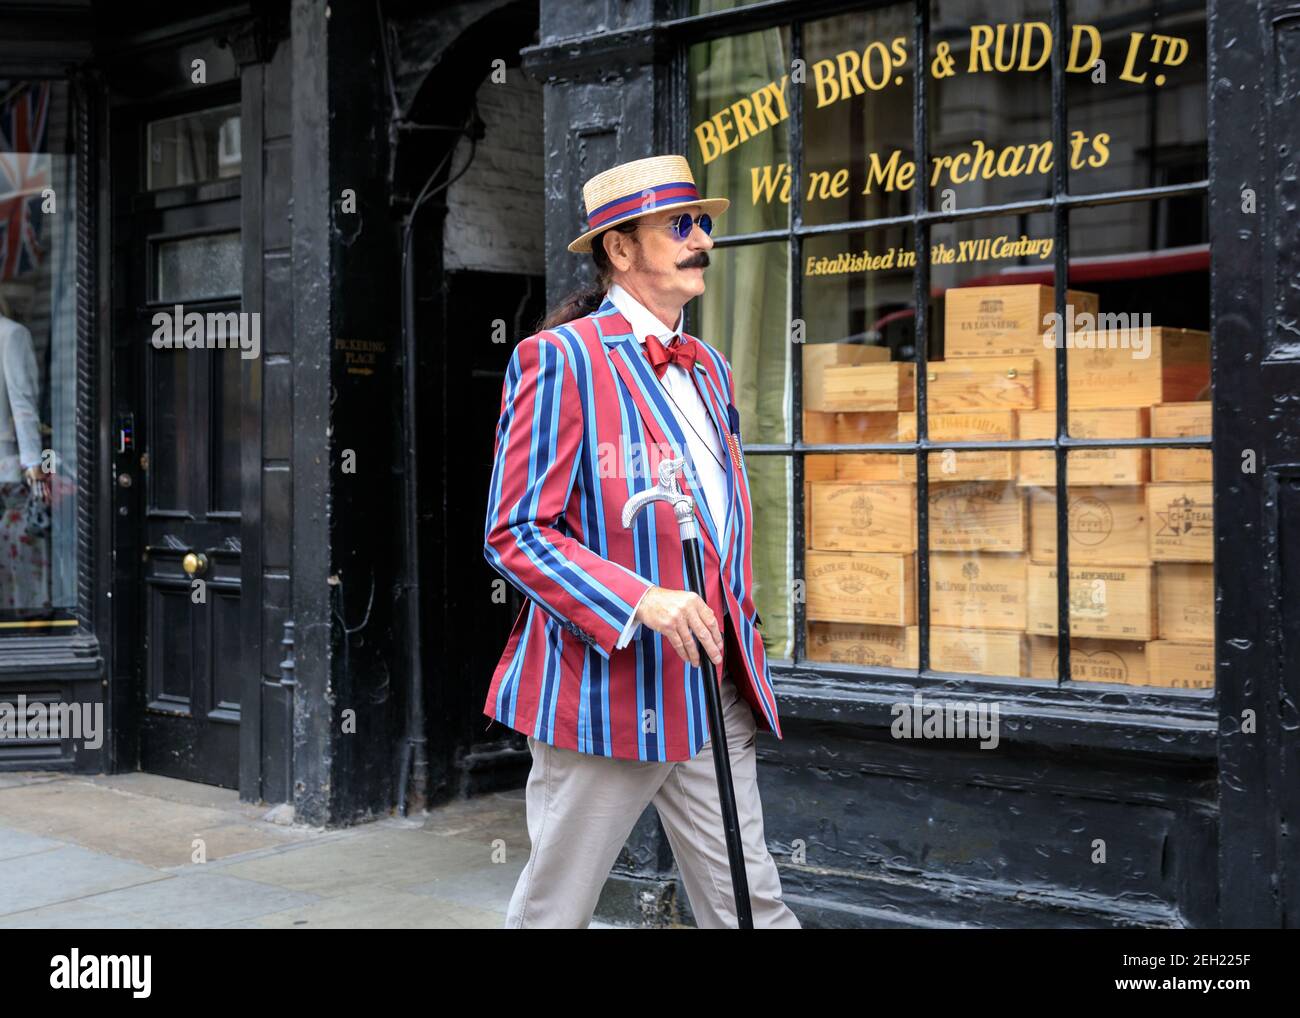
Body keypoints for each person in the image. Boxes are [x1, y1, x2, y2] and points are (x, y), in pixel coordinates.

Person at [482, 154, 800, 929]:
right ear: (621, 250)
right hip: (607, 694)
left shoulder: (712, 371)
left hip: (712, 682)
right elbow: (516, 531)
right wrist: (642, 598)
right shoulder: (558, 360)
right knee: (554, 913)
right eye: (679, 226)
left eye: (704, 224)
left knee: (750, 904)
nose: (702, 240)